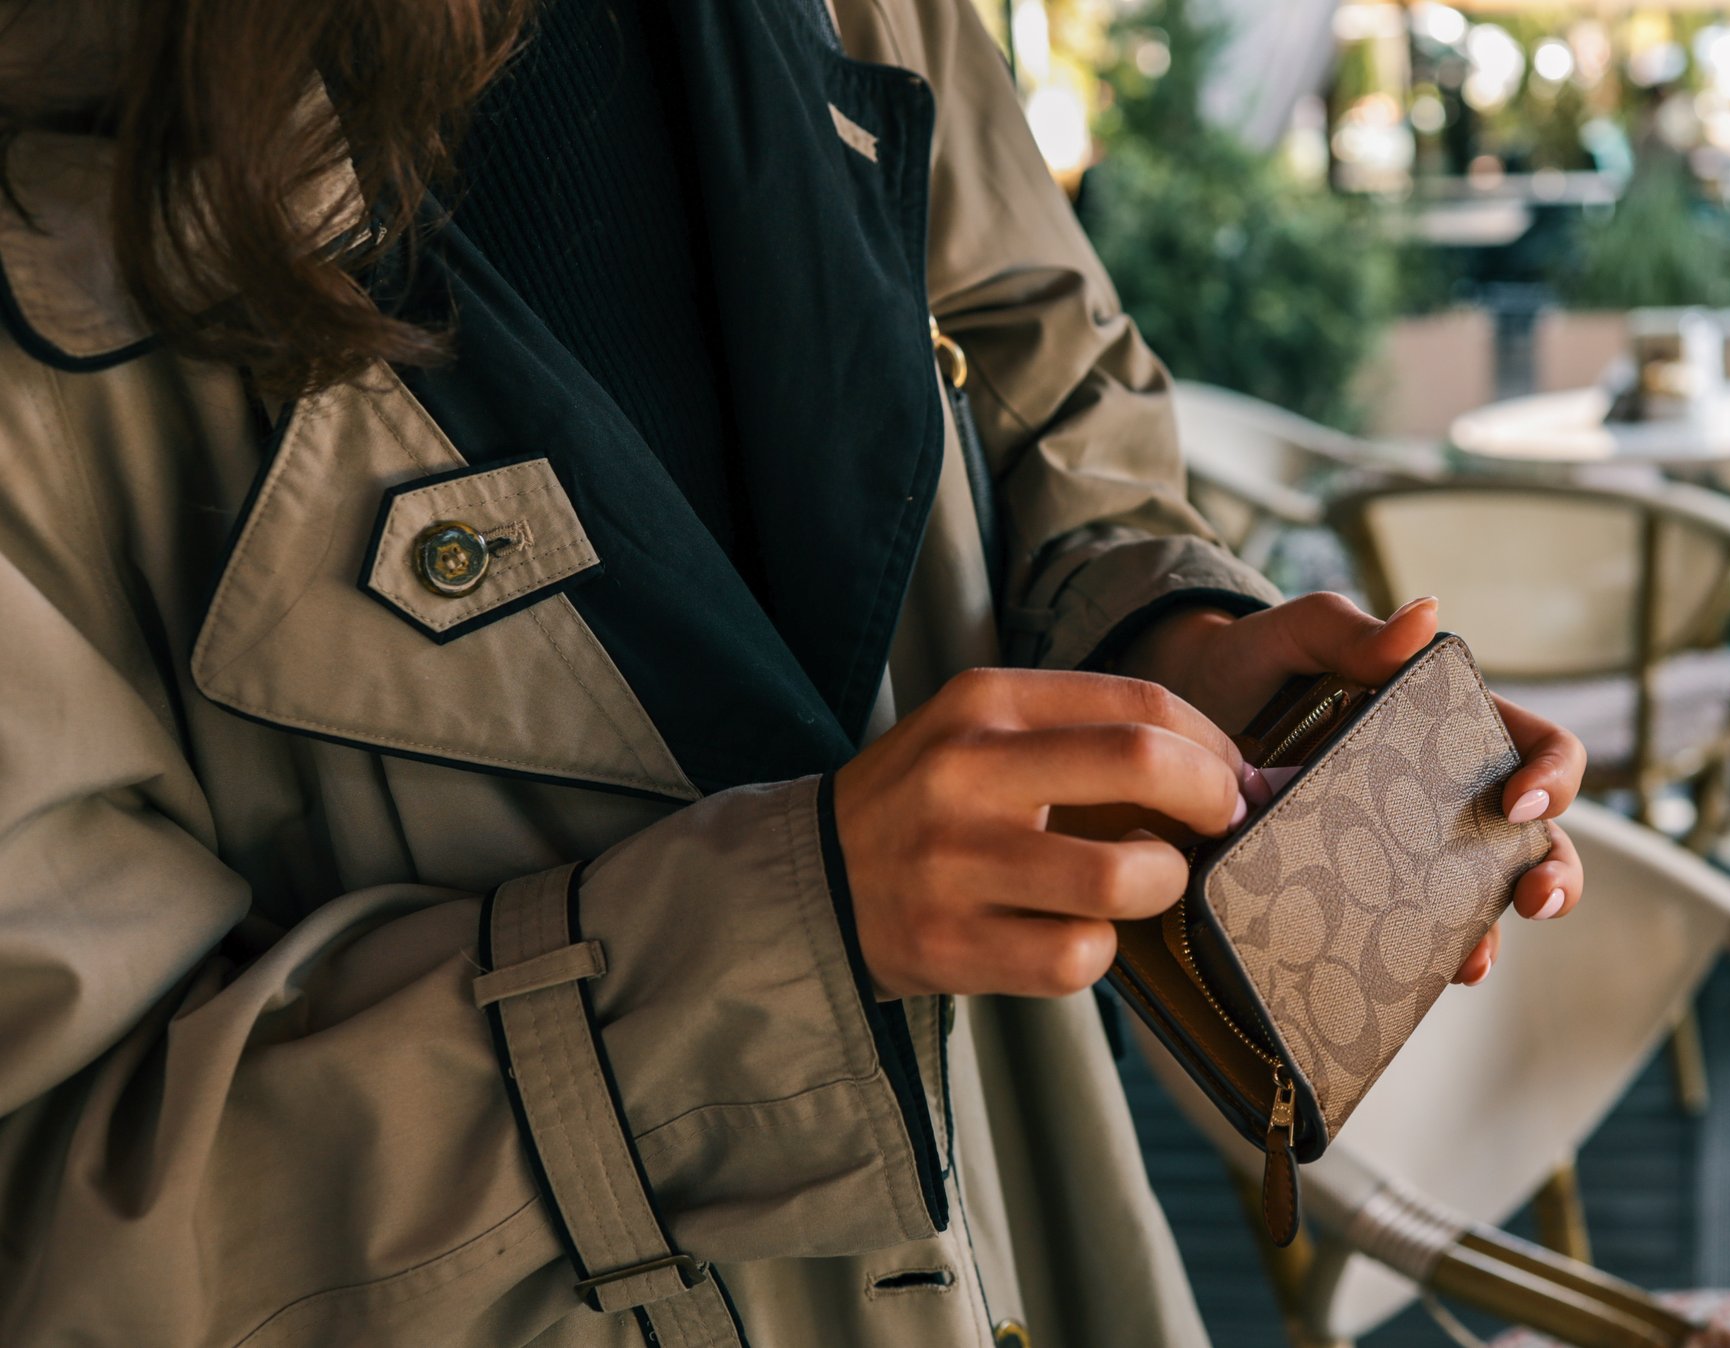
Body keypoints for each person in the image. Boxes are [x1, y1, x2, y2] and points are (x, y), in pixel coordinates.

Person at [0, 1, 1589, 1345]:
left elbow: (1038, 366)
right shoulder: (60, 157)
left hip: (1015, 1222)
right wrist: (769, 954)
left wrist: (1164, 646)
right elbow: (58, 1207)